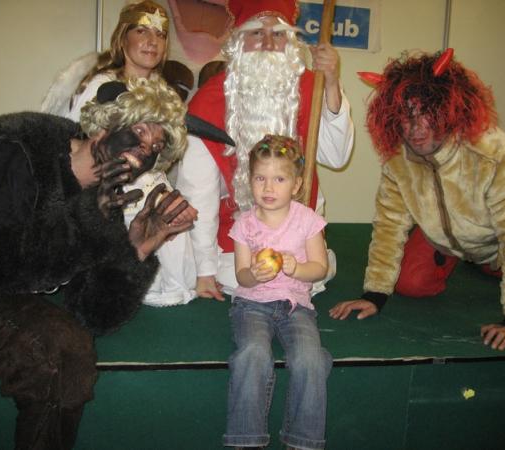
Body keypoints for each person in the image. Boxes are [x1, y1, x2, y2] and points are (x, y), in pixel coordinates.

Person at [0, 77, 194, 449]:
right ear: (105, 125)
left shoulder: (104, 200)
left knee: (71, 350)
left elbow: (93, 314)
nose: (145, 151)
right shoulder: (21, 147)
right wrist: (84, 220)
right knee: (57, 356)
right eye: (139, 132)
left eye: (156, 147)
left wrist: (136, 251)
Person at [329, 49, 505, 353]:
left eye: (426, 113)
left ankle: (492, 265)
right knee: (410, 284)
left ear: (449, 110)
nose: (415, 128)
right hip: (446, 242)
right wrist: (374, 295)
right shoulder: (398, 162)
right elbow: (388, 227)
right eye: (406, 116)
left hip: (500, 243)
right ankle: (475, 261)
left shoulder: (499, 158)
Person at [176, 0, 354, 302]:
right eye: (258, 33)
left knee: (312, 273)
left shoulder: (312, 86)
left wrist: (332, 83)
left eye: (279, 34)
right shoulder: (208, 102)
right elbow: (198, 194)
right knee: (239, 278)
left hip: (300, 236)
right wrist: (204, 271)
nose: (269, 44)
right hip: (236, 239)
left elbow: (336, 157)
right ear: (239, 41)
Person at [42, 0, 200, 306]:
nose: (152, 41)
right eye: (142, 31)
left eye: (160, 34)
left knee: (171, 216)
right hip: (106, 189)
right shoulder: (100, 85)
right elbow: (74, 146)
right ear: (122, 36)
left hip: (148, 182)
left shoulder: (160, 90)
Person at [224, 135, 332, 450]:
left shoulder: (308, 221)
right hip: (252, 305)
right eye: (260, 178)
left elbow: (320, 268)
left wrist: (297, 268)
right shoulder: (244, 225)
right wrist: (253, 275)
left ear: (296, 185)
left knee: (310, 359)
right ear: (250, 181)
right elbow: (242, 276)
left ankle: (302, 441)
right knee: (253, 353)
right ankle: (246, 440)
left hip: (295, 306)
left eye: (279, 179)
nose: (268, 188)